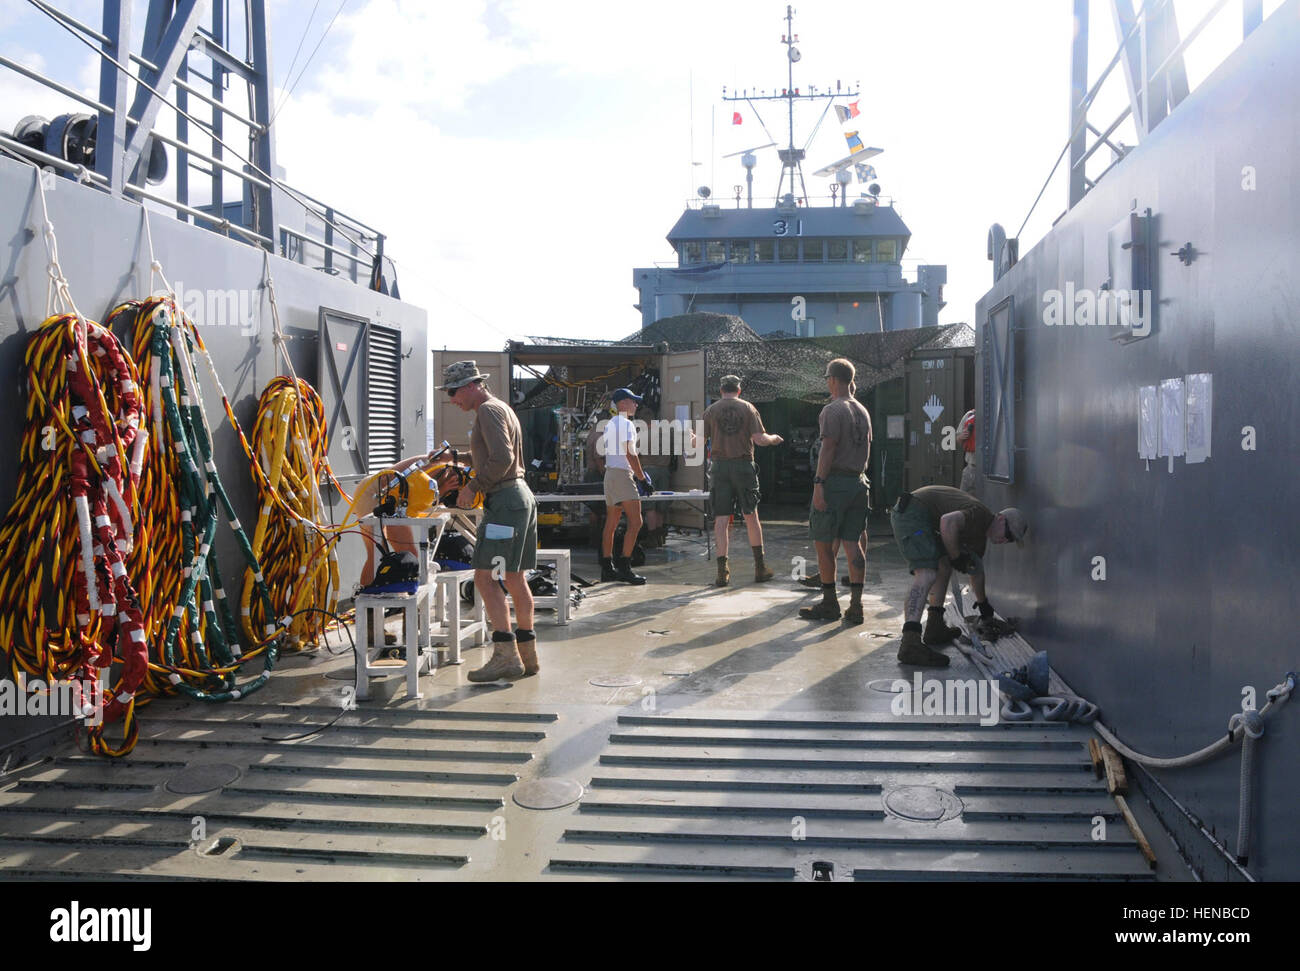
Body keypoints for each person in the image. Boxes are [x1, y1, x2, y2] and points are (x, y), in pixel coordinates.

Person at [438, 360, 539, 682]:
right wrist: (455, 458)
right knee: (514, 578)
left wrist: (472, 487)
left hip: (505, 503)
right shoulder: (500, 408)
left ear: (471, 386)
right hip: (520, 498)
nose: (452, 399)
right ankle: (527, 655)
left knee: (484, 579)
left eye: (453, 392)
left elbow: (503, 458)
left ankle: (505, 657)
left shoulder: (487, 411)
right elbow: (493, 453)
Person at [889, 484, 1028, 667]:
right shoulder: (980, 515)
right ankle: (910, 642)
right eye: (1008, 534)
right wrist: (956, 557)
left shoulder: (980, 539)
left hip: (923, 517)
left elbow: (976, 571)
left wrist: (983, 604)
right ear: (1001, 519)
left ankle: (935, 625)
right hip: (912, 512)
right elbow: (947, 522)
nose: (1004, 541)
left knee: (944, 566)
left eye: (1009, 541)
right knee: (927, 573)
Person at [800, 358, 872, 625]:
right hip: (859, 482)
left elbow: (828, 449)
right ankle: (856, 606)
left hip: (836, 483)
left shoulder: (832, 410)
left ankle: (830, 604)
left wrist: (819, 485)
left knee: (823, 543)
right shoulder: (862, 411)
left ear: (832, 379)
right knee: (853, 543)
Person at [702, 374, 783, 586]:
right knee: (751, 516)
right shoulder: (748, 408)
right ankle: (760, 568)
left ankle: (722, 572)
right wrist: (774, 438)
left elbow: (698, 442)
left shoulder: (711, 411)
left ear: (721, 390)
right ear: (739, 390)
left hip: (719, 468)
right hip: (743, 466)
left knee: (720, 520)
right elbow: (759, 439)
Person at [599, 388, 651, 584]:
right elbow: (630, 453)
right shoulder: (627, 423)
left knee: (611, 523)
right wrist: (642, 478)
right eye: (633, 401)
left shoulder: (610, 423)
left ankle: (607, 567)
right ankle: (625, 568)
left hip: (610, 474)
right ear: (622, 403)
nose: (636, 405)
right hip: (622, 475)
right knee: (636, 523)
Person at [957, 408, 977, 494]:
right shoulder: (970, 415)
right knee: (964, 501)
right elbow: (958, 439)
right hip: (971, 468)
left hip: (989, 473)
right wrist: (961, 436)